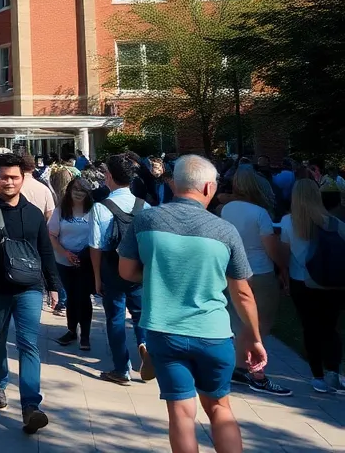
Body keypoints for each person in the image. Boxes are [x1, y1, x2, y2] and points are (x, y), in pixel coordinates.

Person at [117, 155, 264, 453]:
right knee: (220, 409)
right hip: (213, 334)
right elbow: (243, 293)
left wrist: (159, 270)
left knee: (181, 415)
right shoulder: (224, 231)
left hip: (164, 331)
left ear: (173, 184)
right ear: (209, 187)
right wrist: (255, 338)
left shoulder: (146, 219)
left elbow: (126, 271)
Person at [0, 152, 59, 435]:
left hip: (29, 289)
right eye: (4, 177)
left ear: (22, 178)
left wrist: (53, 285)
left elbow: (45, 250)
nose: (9, 182)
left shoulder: (33, 214)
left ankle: (31, 406)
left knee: (29, 345)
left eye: (14, 177)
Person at [217, 169, 289, 395]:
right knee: (260, 325)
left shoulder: (227, 209)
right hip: (259, 271)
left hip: (231, 270)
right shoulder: (259, 213)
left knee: (237, 321)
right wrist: (284, 267)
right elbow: (271, 247)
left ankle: (239, 367)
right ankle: (258, 373)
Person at [89, 153, 152, 386]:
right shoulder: (145, 206)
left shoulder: (100, 207)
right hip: (139, 269)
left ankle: (121, 368)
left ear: (108, 176)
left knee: (115, 318)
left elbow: (96, 245)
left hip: (112, 268)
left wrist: (96, 277)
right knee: (141, 314)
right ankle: (144, 345)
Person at [280, 179, 345, 392]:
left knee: (310, 329)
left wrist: (284, 278)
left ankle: (317, 377)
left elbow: (284, 255)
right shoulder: (334, 223)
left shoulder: (288, 222)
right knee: (330, 328)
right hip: (331, 283)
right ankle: (333, 371)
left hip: (302, 282)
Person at [49, 178, 94, 350]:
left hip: (86, 261)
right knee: (71, 297)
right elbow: (51, 234)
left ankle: (86, 335)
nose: (78, 193)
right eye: (75, 189)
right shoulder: (61, 210)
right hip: (63, 260)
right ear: (69, 190)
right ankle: (71, 330)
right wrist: (65, 253)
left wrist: (84, 254)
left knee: (83, 297)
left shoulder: (93, 210)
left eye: (82, 190)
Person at [19, 154, 55, 222]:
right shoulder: (44, 189)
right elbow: (50, 215)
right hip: (39, 229)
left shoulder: (13, 188)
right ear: (33, 168)